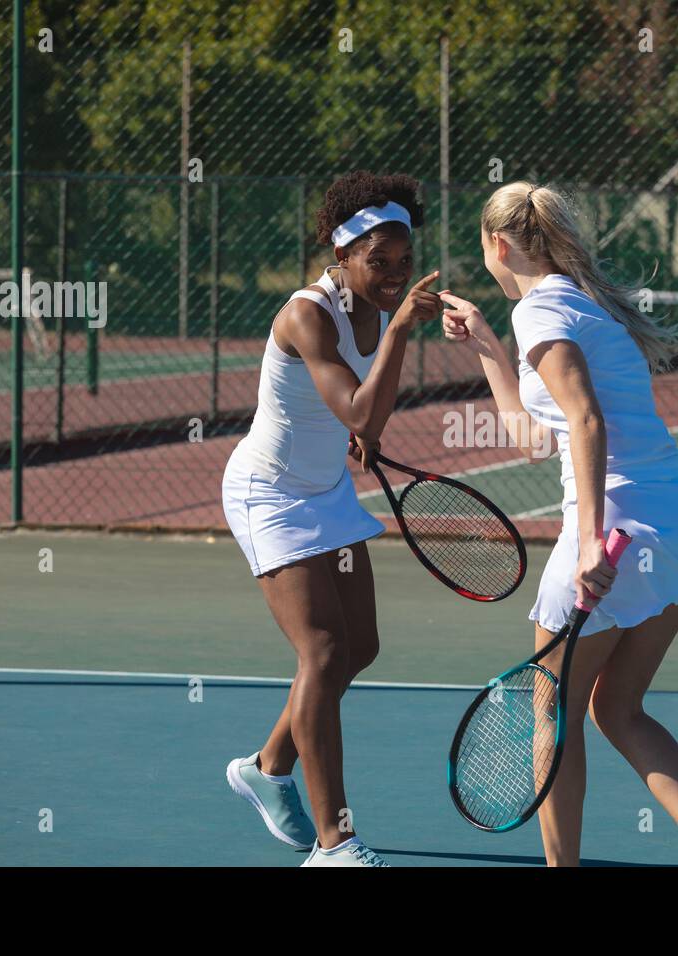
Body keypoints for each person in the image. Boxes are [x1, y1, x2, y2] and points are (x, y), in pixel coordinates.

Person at [440, 181, 678, 867]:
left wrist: (586, 545)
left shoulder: (544, 312)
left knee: (550, 713)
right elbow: (534, 435)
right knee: (618, 709)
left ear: (499, 244)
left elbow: (586, 420)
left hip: (615, 529)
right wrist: (486, 343)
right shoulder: (578, 306)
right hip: (675, 527)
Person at [221, 170, 440, 868]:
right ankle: (334, 843)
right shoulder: (306, 314)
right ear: (341, 254)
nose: (393, 275)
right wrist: (404, 326)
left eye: (403, 264)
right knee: (321, 652)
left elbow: (363, 418)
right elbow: (357, 410)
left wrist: (362, 427)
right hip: (270, 495)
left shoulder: (375, 310)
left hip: (326, 493)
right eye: (379, 263)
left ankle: (266, 766)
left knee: (359, 649)